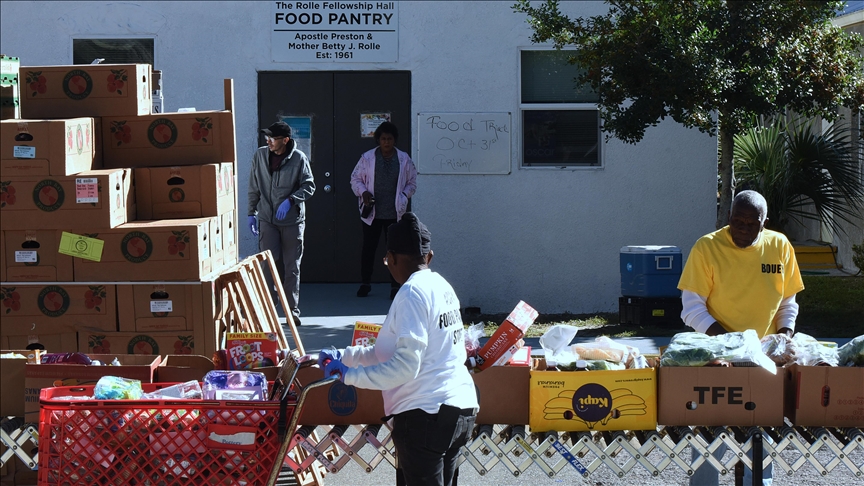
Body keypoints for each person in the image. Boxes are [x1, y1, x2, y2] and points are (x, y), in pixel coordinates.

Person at [320, 213, 478, 486]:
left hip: (425, 418)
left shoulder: (411, 294)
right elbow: (386, 352)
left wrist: (349, 377)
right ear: (428, 257)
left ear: (391, 258)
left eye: (386, 261)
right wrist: (344, 357)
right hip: (459, 412)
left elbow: (404, 367)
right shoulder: (442, 287)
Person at [678, 190, 804, 486]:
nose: (742, 230)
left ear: (765, 223)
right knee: (712, 433)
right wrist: (733, 344)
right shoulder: (707, 247)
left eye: (751, 224)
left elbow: (788, 301)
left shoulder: (780, 245)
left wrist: (784, 336)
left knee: (761, 434)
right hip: (718, 359)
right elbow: (691, 309)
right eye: (737, 222)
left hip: (764, 358)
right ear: (729, 217)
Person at [248, 121, 315, 326]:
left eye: (273, 138)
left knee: (291, 265)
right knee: (268, 264)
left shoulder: (298, 158)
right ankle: (269, 308)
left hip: (291, 220)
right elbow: (254, 185)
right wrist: (251, 212)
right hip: (267, 218)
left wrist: (291, 200)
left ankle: (291, 311)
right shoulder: (260, 155)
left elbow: (309, 185)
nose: (268, 141)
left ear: (285, 140)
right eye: (267, 137)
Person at [350, 122, 417, 299]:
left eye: (390, 139)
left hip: (394, 212)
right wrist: (363, 192)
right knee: (369, 249)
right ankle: (365, 283)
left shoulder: (403, 159)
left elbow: (412, 182)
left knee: (394, 251)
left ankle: (395, 285)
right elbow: (355, 179)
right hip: (372, 212)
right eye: (383, 139)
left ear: (394, 140)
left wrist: (403, 195)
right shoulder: (367, 158)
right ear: (378, 140)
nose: (386, 142)